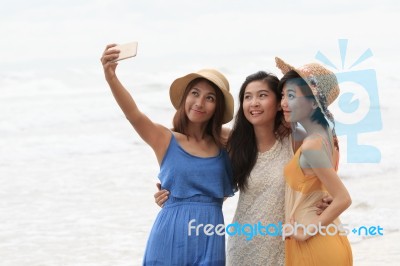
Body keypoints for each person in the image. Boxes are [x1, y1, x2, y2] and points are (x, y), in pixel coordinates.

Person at [155, 71, 332, 266]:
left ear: (278, 102)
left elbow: (320, 175)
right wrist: (175, 194)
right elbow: (187, 142)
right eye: (248, 97)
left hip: (286, 245)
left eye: (262, 95)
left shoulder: (295, 139)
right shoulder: (233, 142)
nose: (254, 103)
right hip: (243, 247)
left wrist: (326, 197)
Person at [100, 44, 235, 265]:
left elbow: (267, 136)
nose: (200, 102)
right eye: (195, 93)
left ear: (217, 107)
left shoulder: (227, 143)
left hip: (211, 234)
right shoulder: (165, 139)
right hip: (171, 232)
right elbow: (133, 114)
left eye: (210, 98)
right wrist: (111, 77)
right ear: (185, 98)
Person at [276, 57, 353, 265]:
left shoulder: (311, 145)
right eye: (282, 95)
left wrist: (306, 232)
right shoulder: (330, 136)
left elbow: (343, 198)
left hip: (312, 241)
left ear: (312, 102)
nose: (283, 103)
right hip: (328, 233)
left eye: (291, 96)